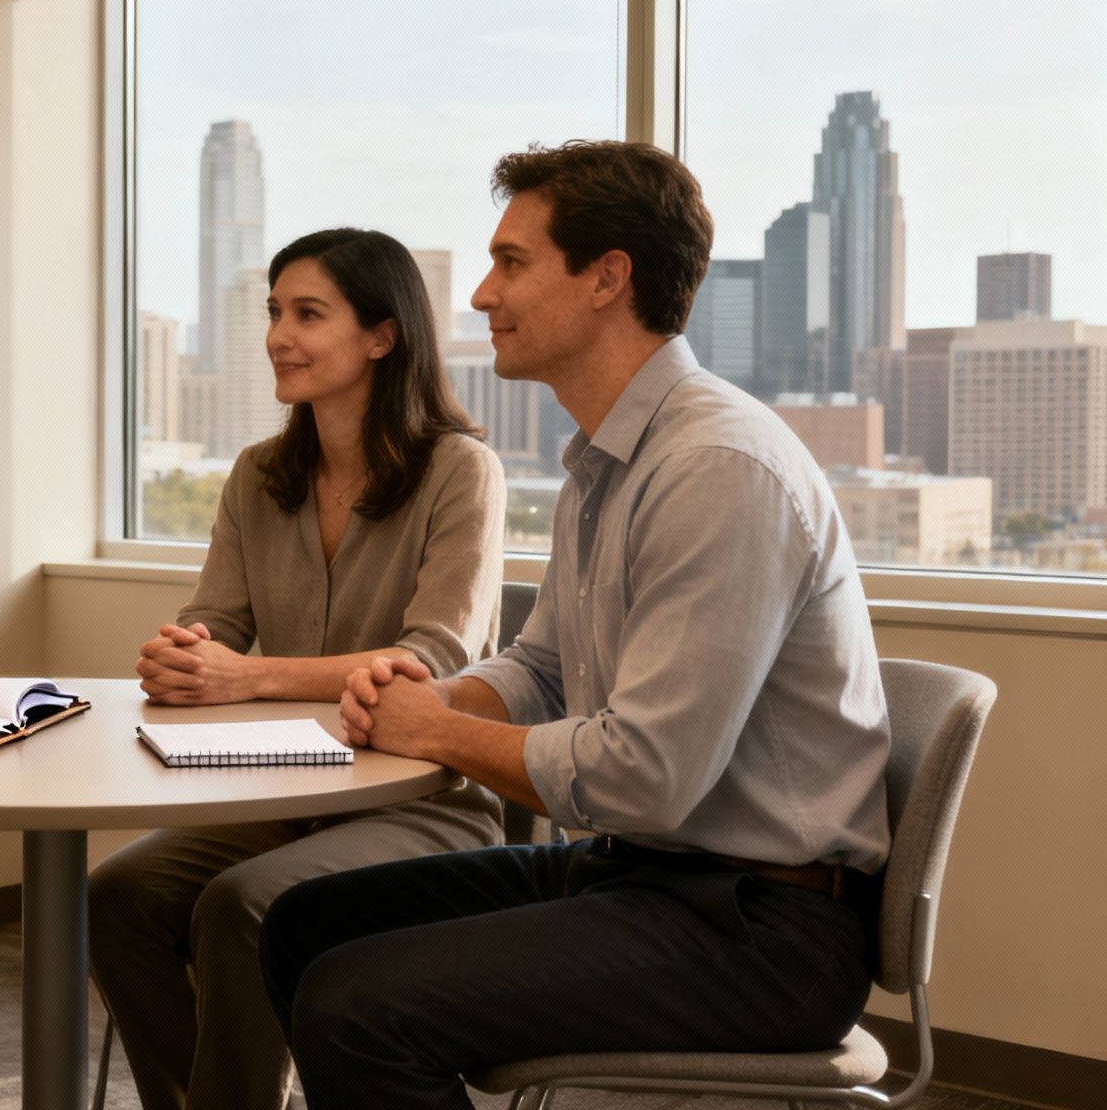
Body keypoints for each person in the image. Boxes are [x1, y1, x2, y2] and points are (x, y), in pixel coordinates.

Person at [257, 141, 893, 1110]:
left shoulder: (717, 469)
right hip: (643, 876)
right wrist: (432, 695)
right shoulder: (604, 463)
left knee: (354, 1005)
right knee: (301, 926)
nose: (477, 295)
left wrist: (435, 732)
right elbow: (543, 666)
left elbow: (644, 773)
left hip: (762, 930)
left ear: (605, 279)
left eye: (510, 263)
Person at [90, 228, 508, 1110]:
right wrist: (187, 653)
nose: (279, 334)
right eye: (275, 312)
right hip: (278, 796)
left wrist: (243, 677)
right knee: (114, 895)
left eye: (308, 314)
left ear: (382, 337)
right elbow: (216, 623)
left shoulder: (459, 471)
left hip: (422, 805)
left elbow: (430, 661)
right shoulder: (258, 474)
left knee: (241, 905)